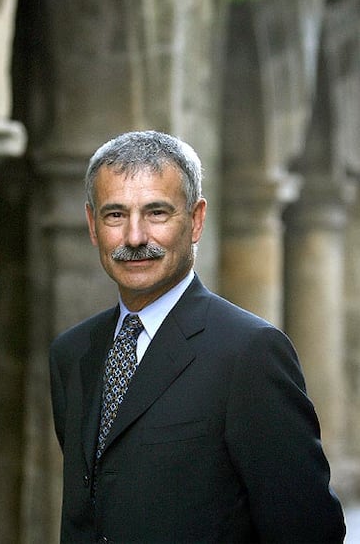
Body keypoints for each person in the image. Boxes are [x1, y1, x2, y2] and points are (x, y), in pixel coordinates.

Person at [49, 130, 346, 543]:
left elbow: (309, 530)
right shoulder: (72, 353)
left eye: (156, 213)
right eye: (115, 215)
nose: (134, 238)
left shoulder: (250, 353)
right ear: (92, 225)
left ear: (196, 219)